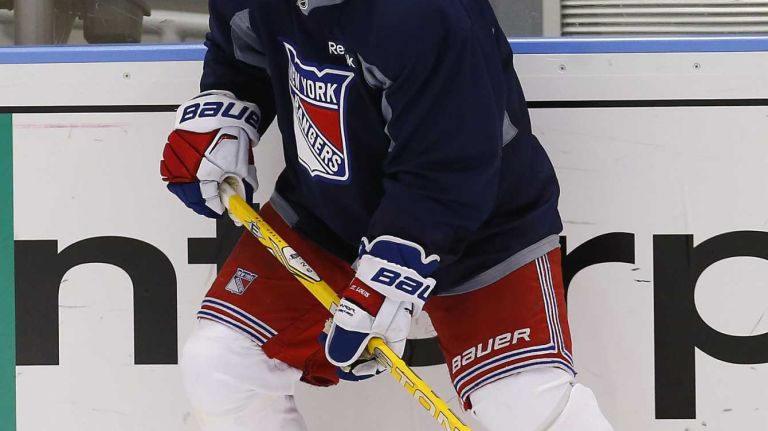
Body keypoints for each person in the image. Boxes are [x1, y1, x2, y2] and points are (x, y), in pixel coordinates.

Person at [160, 1, 614, 430]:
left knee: (525, 406)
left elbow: (450, 170)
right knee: (222, 364)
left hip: (484, 231)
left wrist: (389, 282)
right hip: (328, 220)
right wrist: (229, 111)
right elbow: (245, 48)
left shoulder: (425, 13)